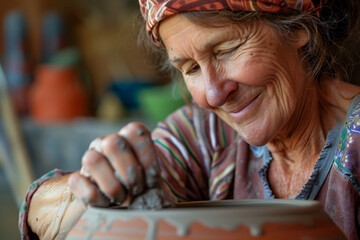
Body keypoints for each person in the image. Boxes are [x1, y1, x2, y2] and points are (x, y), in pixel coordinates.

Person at [19, 0, 360, 239]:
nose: (212, 95)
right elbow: (39, 215)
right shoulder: (204, 135)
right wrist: (95, 183)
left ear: (299, 27)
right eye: (191, 68)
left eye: (226, 50)